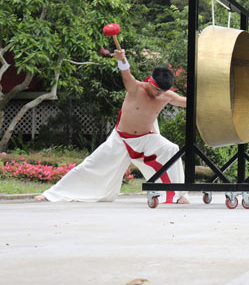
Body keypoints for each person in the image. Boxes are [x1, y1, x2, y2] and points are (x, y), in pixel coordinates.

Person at [35, 48, 188, 203]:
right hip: (120, 139)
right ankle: (52, 194)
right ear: (150, 81)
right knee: (90, 165)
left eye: (162, 91)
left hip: (145, 139)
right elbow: (127, 75)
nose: (158, 94)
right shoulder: (136, 88)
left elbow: (186, 102)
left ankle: (178, 195)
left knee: (171, 149)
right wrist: (121, 59)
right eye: (157, 89)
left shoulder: (166, 97)